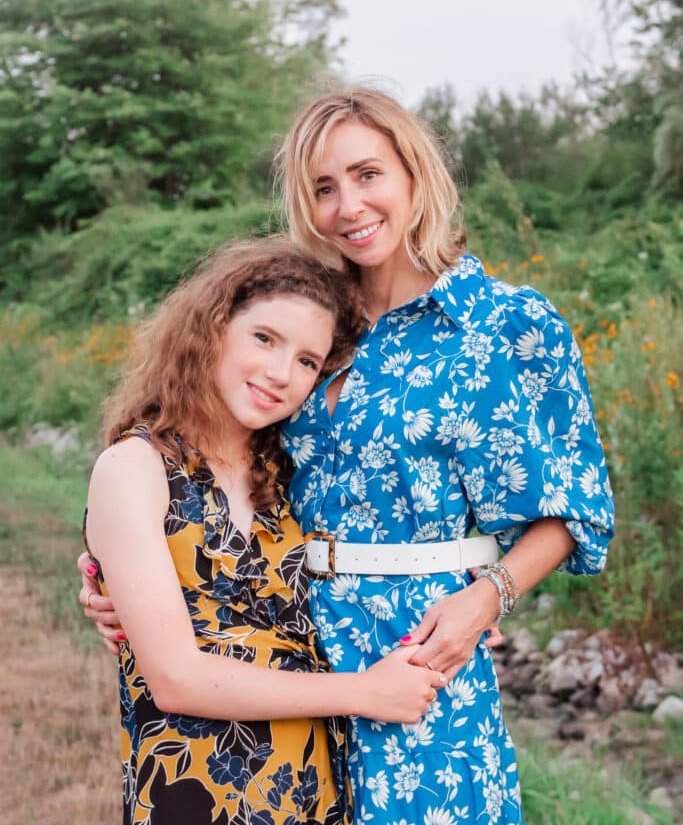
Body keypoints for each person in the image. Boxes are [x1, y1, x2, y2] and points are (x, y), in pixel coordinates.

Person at [82, 86, 614, 823]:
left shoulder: (503, 323)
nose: (348, 206)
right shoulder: (311, 324)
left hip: (415, 646)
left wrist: (485, 595)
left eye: (367, 175)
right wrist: (120, 575)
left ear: (413, 175)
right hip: (284, 641)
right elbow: (215, 467)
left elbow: (574, 502)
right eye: (323, 188)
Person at [82, 236, 443, 825]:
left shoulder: (287, 476)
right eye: (265, 339)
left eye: (307, 361)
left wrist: (461, 600)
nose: (281, 373)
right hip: (195, 791)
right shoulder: (135, 468)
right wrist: (363, 693)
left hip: (309, 789)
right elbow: (176, 679)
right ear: (214, 329)